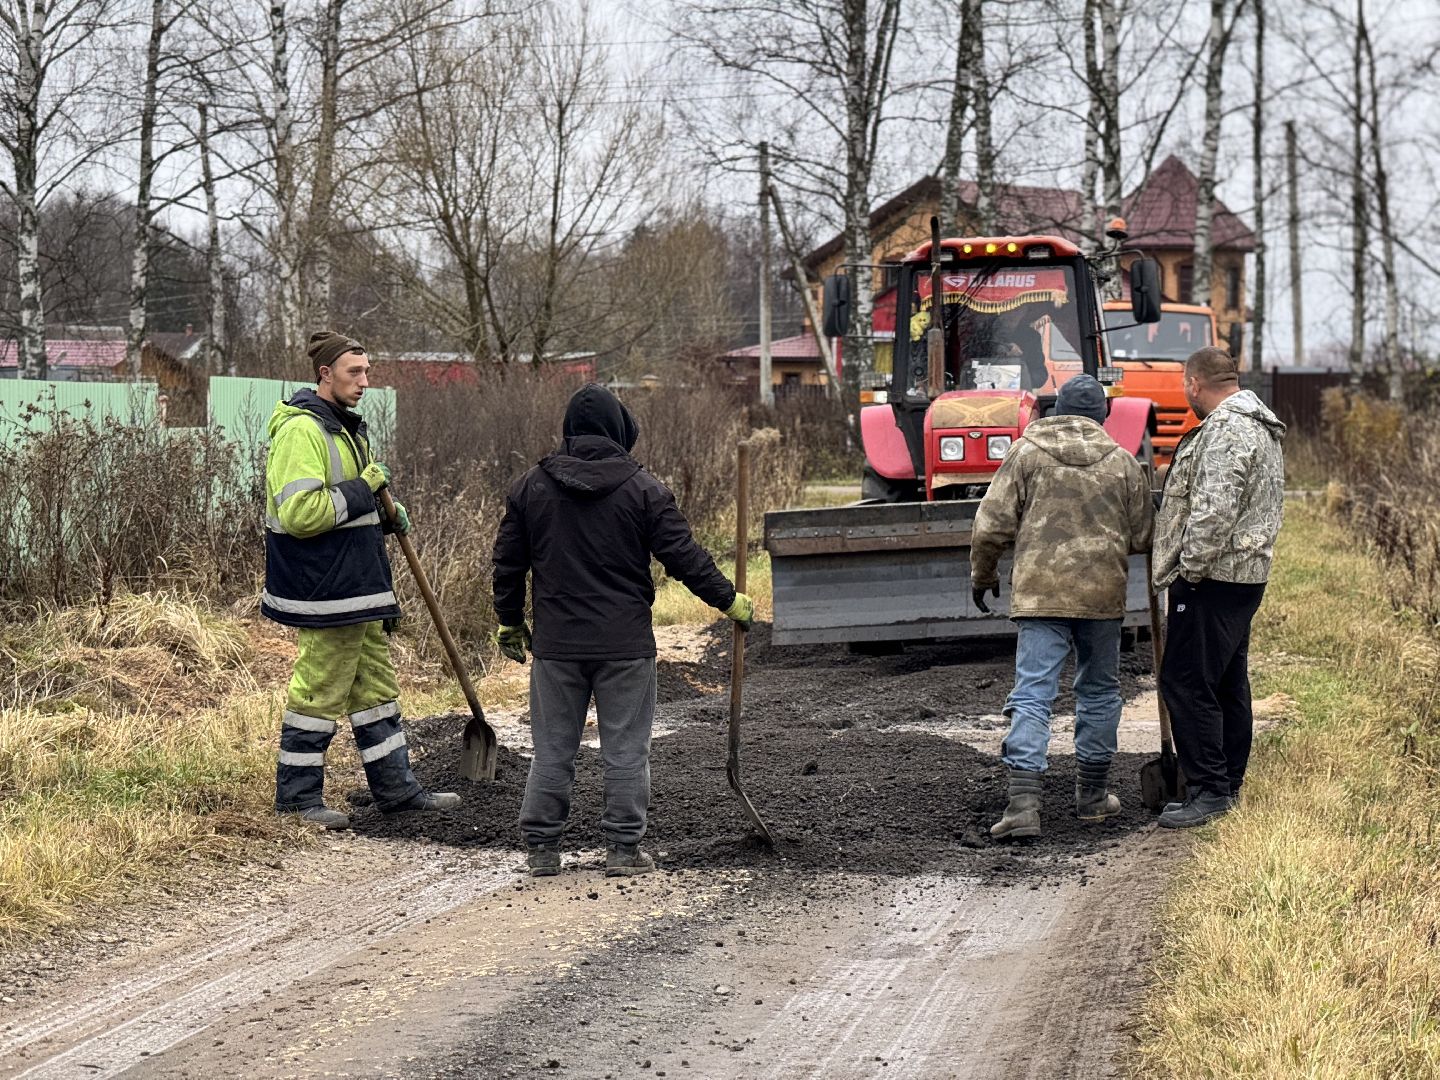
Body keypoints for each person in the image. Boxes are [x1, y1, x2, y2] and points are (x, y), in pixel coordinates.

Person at [492, 384, 754, 878]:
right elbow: (685, 558)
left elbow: (508, 563)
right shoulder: (643, 489)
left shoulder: (531, 486)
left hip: (558, 647)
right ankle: (623, 851)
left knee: (552, 750)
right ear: (619, 430)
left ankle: (543, 851)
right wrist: (728, 600)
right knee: (626, 751)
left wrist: (509, 620)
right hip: (625, 646)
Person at [263, 331, 460, 829]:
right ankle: (298, 801)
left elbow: (346, 506)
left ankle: (397, 790)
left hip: (358, 585)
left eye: (368, 372)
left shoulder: (347, 427)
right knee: (319, 692)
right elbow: (302, 513)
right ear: (325, 374)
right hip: (323, 589)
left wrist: (384, 511)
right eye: (355, 372)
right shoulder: (301, 432)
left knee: (376, 687)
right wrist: (364, 488)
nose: (365, 381)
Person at [970, 374, 1153, 840]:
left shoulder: (1026, 453)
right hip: (1101, 598)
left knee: (1033, 694)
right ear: (1102, 416)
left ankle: (1023, 806)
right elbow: (1143, 536)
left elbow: (991, 524)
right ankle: (1092, 797)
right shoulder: (1123, 464)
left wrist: (984, 574)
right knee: (1097, 692)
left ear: (1056, 411)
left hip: (1040, 596)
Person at [1152, 346, 1285, 829]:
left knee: (1185, 681)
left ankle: (1209, 790)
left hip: (1215, 575)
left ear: (1193, 384)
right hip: (1243, 573)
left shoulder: (1228, 429)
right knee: (1227, 680)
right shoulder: (1260, 423)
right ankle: (1228, 783)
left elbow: (1215, 508)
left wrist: (1190, 567)